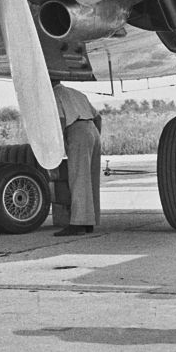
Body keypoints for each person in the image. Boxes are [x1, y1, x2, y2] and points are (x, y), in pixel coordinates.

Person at [50, 78, 102, 236]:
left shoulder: (54, 94)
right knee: (91, 178)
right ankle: (89, 222)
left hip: (76, 130)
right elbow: (98, 117)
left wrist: (59, 147)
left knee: (78, 178)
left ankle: (78, 223)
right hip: (92, 129)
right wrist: (95, 137)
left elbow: (60, 120)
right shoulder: (77, 93)